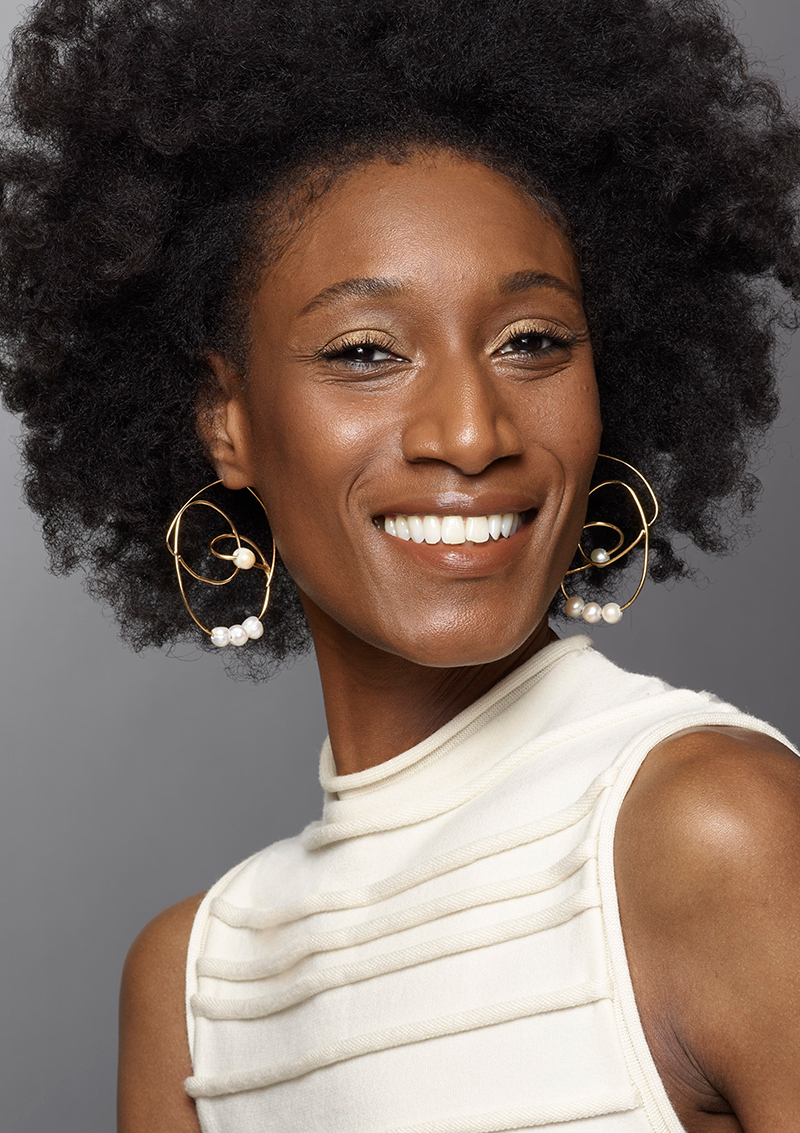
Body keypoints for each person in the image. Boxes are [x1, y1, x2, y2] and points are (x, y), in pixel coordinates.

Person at [0, 0, 798, 1130]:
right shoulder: (193, 989)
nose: (470, 432)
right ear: (226, 421)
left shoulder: (716, 832)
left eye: (532, 342)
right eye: (366, 351)